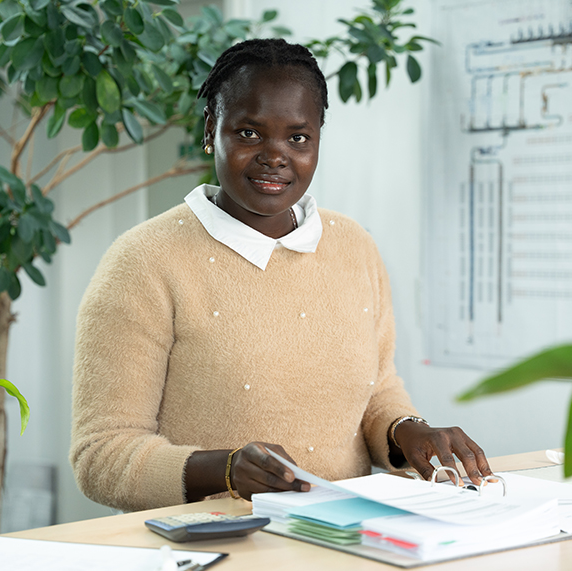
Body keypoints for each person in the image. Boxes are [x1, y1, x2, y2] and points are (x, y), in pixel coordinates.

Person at [70, 38, 493, 513]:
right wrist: (225, 469)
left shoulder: (354, 247)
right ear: (212, 130)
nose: (276, 155)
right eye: (249, 133)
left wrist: (406, 431)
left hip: (348, 539)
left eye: (298, 138)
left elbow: (377, 390)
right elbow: (100, 455)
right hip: (213, 546)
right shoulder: (143, 261)